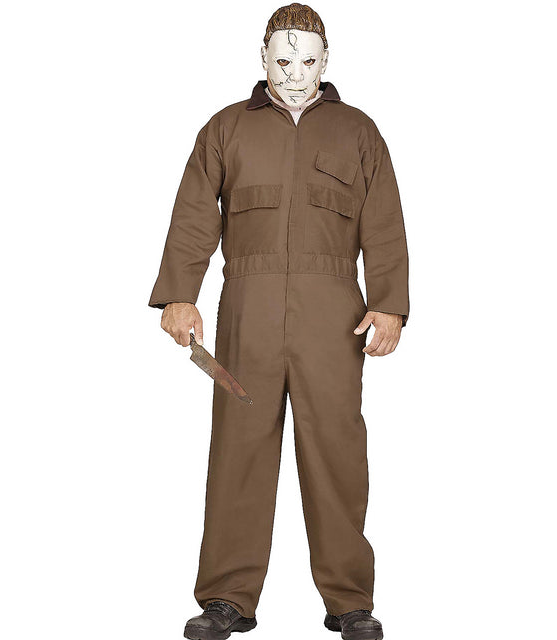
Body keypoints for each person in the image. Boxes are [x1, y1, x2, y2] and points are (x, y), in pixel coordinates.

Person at [149, 4, 409, 639]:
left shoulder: (358, 131)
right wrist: (180, 294)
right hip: (248, 307)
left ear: (327, 61)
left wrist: (389, 303)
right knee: (239, 450)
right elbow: (194, 214)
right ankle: (226, 598)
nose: (295, 73)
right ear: (262, 56)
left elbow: (384, 222)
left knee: (338, 452)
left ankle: (350, 601)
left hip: (334, 314)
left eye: (308, 60)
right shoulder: (226, 128)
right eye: (284, 59)